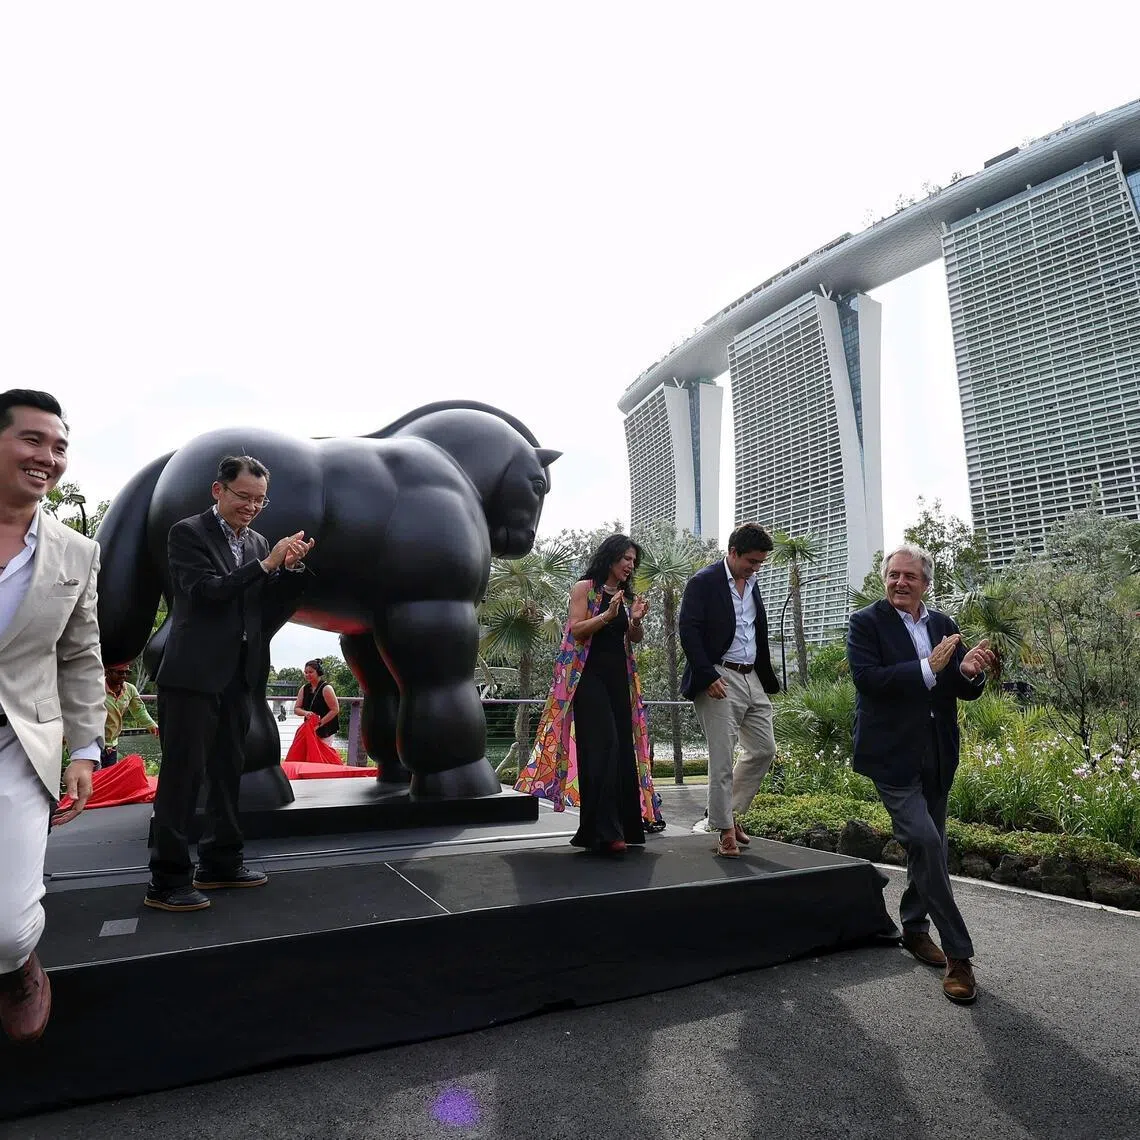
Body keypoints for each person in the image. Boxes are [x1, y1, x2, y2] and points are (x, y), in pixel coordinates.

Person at [145, 455, 313, 913]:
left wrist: (289, 571)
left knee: (227, 773)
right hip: (192, 675)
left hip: (241, 674)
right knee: (183, 777)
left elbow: (262, 611)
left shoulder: (258, 541)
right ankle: (167, 879)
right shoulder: (186, 533)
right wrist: (265, 566)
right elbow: (207, 593)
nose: (253, 507)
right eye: (244, 497)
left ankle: (221, 862)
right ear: (218, 491)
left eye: (260, 500)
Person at [846, 543, 994, 1005]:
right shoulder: (866, 623)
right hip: (891, 757)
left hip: (937, 754)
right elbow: (868, 679)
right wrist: (926, 669)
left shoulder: (943, 624)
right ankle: (959, 955)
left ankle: (913, 928)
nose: (900, 582)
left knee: (928, 845)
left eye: (910, 576)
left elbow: (959, 688)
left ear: (926, 583)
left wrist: (967, 672)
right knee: (928, 842)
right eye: (893, 575)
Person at [0, 390, 105, 1044]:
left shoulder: (75, 553)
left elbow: (81, 655)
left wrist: (86, 750)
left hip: (19, 741)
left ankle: (19, 967)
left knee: (7, 925)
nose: (48, 457)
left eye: (59, 446)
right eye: (33, 440)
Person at [516, 534, 653, 853]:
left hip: (618, 679)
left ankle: (622, 827)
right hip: (587, 678)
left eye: (634, 561)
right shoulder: (585, 588)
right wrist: (607, 615)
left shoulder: (624, 594)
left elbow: (633, 638)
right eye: (626, 559)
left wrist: (634, 621)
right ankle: (605, 831)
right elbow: (576, 630)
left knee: (620, 750)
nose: (631, 566)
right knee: (603, 746)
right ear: (611, 557)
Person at [679, 522, 780, 858]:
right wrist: (707, 674)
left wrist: (765, 677)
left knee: (764, 749)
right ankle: (724, 831)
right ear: (733, 552)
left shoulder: (752, 585)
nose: (756, 568)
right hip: (719, 674)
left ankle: (728, 813)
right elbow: (689, 629)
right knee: (722, 758)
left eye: (760, 563)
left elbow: (755, 631)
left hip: (751, 677)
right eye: (752, 561)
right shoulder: (704, 582)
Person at [102, 660, 158, 766]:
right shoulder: (97, 688)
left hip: (112, 744)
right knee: (93, 778)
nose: (124, 675)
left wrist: (152, 725)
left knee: (109, 777)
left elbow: (139, 710)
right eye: (120, 672)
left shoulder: (130, 689)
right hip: (93, 743)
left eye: (127, 672)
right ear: (108, 672)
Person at [294, 659, 340, 739]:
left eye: (311, 672)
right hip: (310, 728)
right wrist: (305, 713)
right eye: (306, 672)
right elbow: (296, 709)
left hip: (326, 728)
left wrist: (318, 724)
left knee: (323, 751)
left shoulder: (326, 688)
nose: (307, 675)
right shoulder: (304, 688)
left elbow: (335, 709)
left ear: (318, 672)